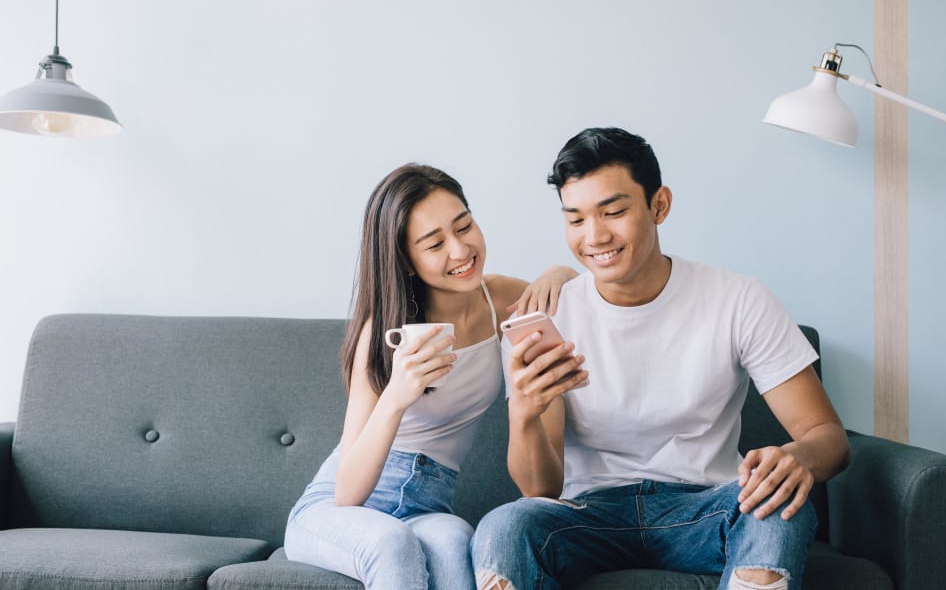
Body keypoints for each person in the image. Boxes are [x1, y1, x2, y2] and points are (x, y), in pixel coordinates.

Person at [471, 127, 851, 590]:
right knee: (504, 527)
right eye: (575, 219)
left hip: (707, 508)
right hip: (587, 516)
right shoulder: (550, 316)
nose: (594, 236)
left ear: (659, 205)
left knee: (779, 505)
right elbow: (540, 491)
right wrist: (526, 414)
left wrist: (796, 458)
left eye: (613, 211)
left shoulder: (738, 300)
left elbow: (828, 438)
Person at [283, 163, 576, 590]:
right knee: (391, 544)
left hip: (428, 504)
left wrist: (556, 273)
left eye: (464, 226)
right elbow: (347, 493)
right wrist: (398, 394)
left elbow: (572, 285)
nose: (460, 251)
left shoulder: (501, 300)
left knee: (458, 541)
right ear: (406, 259)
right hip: (335, 509)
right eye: (435, 243)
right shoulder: (383, 330)